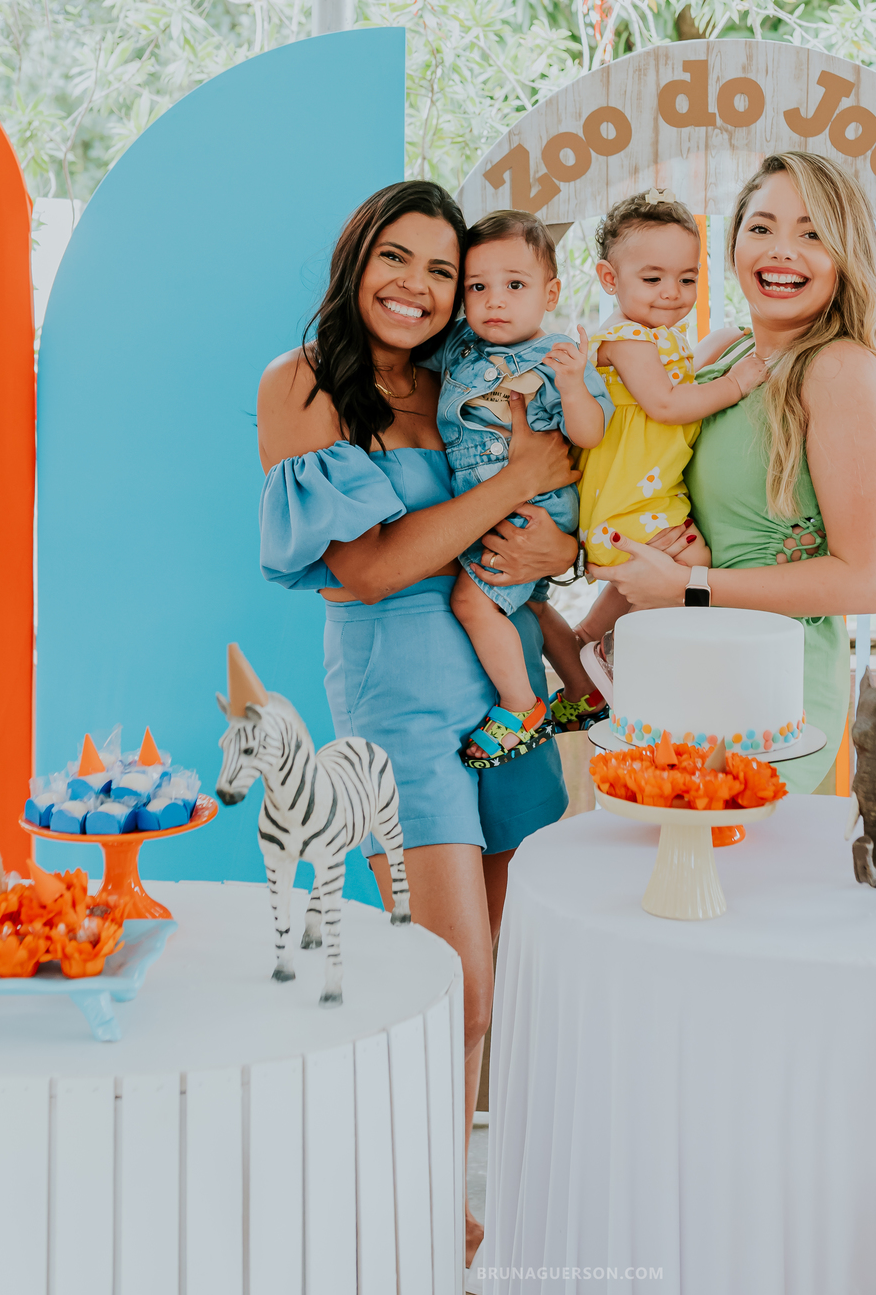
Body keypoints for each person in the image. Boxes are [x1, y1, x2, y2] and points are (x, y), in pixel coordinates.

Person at [256, 180, 577, 1268]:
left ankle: (451, 1192)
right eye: (399, 258)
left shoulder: (464, 381)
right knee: (456, 982)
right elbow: (373, 564)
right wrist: (517, 482)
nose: (419, 286)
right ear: (357, 259)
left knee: (511, 981)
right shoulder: (303, 386)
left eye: (442, 270)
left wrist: (559, 554)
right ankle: (411, 1203)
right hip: (401, 705)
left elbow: (537, 524)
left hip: (508, 692)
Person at [591, 151, 876, 794]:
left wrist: (691, 587)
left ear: (844, 252)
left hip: (766, 697)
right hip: (675, 668)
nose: (781, 250)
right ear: (733, 240)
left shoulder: (839, 369)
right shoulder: (721, 353)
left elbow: (866, 584)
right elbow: (657, 501)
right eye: (761, 227)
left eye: (812, 232)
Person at [432, 209, 611, 765]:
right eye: (477, 288)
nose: (495, 302)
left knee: (472, 600)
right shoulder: (461, 346)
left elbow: (590, 431)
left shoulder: (557, 358)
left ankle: (520, 705)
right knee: (532, 607)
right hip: (497, 505)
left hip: (530, 512)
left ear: (550, 292)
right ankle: (586, 691)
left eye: (515, 286)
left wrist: (572, 386)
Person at [571, 192, 768, 675]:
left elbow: (676, 384)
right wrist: (735, 383)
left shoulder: (656, 335)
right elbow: (666, 404)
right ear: (610, 279)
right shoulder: (628, 339)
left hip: (647, 489)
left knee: (672, 566)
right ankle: (618, 656)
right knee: (690, 560)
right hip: (628, 498)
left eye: (687, 278)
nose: (672, 292)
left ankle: (595, 645)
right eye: (653, 278)